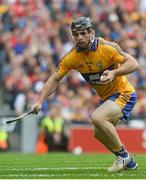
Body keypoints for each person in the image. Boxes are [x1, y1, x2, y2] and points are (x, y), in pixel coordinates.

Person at [32, 17, 139, 173]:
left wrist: (114, 73)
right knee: (98, 133)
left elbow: (134, 64)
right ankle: (130, 162)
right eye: (76, 34)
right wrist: (40, 102)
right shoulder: (73, 57)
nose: (79, 38)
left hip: (124, 93)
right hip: (107, 98)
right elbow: (55, 78)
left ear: (92, 33)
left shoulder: (107, 47)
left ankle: (123, 157)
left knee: (97, 118)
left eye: (83, 33)